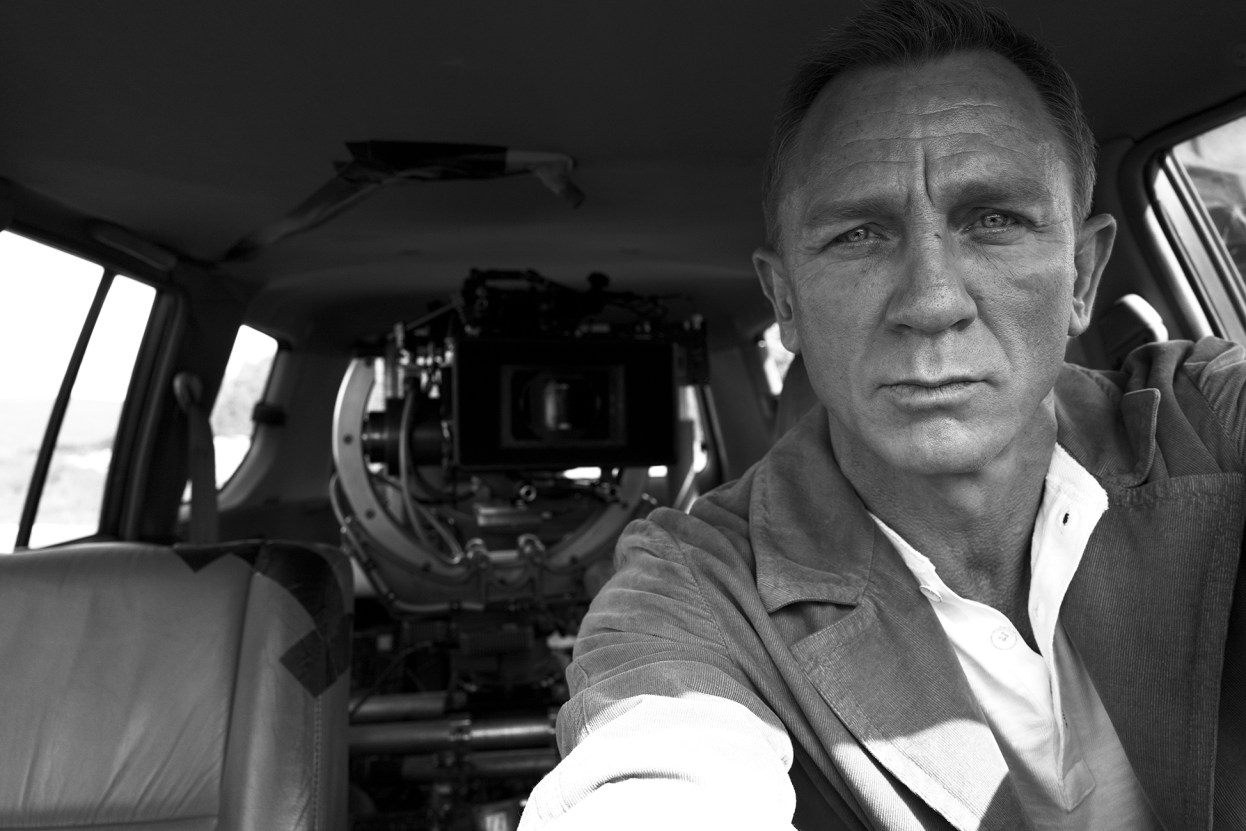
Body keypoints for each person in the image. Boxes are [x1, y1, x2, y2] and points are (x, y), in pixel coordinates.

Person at [520, 0, 1246, 828]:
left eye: (996, 220)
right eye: (859, 235)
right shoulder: (693, 588)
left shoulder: (1208, 417)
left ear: (1082, 276)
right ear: (785, 301)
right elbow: (657, 771)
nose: (932, 302)